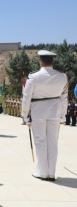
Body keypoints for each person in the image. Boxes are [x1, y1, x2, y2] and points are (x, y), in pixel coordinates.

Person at [21, 50, 68, 181]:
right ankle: (51, 172)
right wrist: (63, 115)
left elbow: (27, 96)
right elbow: (64, 97)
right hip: (55, 112)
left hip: (38, 112)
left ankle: (42, 172)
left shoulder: (34, 77)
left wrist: (25, 114)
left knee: (40, 141)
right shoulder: (62, 77)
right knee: (53, 142)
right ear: (52, 61)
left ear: (41, 61)